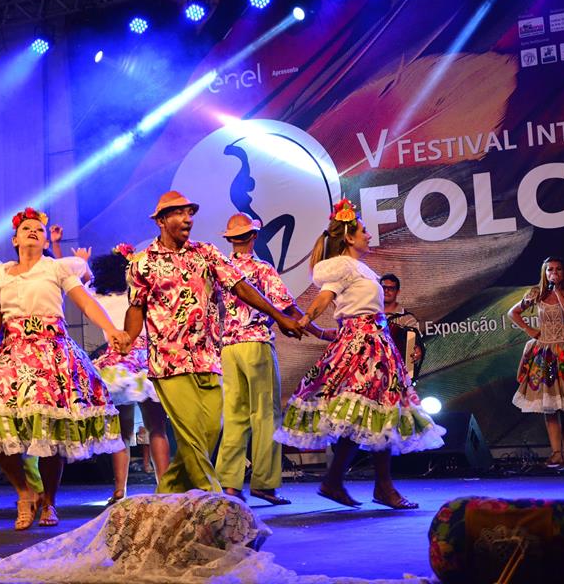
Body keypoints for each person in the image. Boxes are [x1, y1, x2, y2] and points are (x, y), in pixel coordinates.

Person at [0, 207, 128, 530]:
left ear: (45, 240)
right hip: (14, 351)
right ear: (15, 239)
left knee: (49, 431)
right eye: (26, 228)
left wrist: (111, 329)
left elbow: (86, 302)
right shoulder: (0, 276)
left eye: (38, 229)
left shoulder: (55, 268)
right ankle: (24, 492)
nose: (33, 231)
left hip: (51, 352)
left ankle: (49, 502)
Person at [122, 191, 303, 495]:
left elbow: (240, 286)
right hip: (169, 361)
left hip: (208, 357)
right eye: (179, 213)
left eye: (190, 213)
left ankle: (167, 495)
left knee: (209, 433)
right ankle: (216, 498)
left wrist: (279, 316)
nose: (188, 219)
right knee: (193, 435)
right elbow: (136, 307)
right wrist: (128, 337)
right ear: (162, 221)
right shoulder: (142, 264)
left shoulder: (206, 253)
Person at [274, 198, 445, 509]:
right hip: (361, 345)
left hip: (376, 342)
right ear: (349, 237)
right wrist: (305, 320)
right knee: (366, 412)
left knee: (375, 412)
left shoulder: (361, 269)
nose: (368, 235)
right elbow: (325, 298)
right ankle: (368, 485)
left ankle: (347, 483)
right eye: (363, 231)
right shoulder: (341, 266)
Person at [216, 213, 332, 506]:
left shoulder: (220, 269)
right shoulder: (261, 268)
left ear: (230, 240)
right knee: (266, 415)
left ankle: (229, 484)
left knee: (234, 416)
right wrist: (318, 331)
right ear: (254, 236)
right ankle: (264, 484)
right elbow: (287, 307)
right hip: (255, 345)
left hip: (227, 349)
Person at [58, 236, 171, 505]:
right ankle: (165, 486)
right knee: (156, 427)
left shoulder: (100, 294)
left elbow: (74, 280)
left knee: (122, 433)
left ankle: (120, 490)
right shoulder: (144, 294)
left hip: (117, 364)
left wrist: (77, 259)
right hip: (145, 360)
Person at [508, 256, 564, 468]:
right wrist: (529, 330)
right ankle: (556, 453)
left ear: (563, 272)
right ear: (544, 273)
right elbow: (513, 312)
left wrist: (558, 292)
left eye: (558, 269)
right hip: (547, 356)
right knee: (550, 404)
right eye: (550, 270)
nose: (554, 273)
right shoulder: (536, 294)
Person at [380, 273, 425, 377]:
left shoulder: (408, 319)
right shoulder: (369, 315)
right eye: (383, 288)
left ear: (398, 292)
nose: (386, 291)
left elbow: (416, 344)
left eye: (391, 288)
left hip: (397, 374)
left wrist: (418, 351)